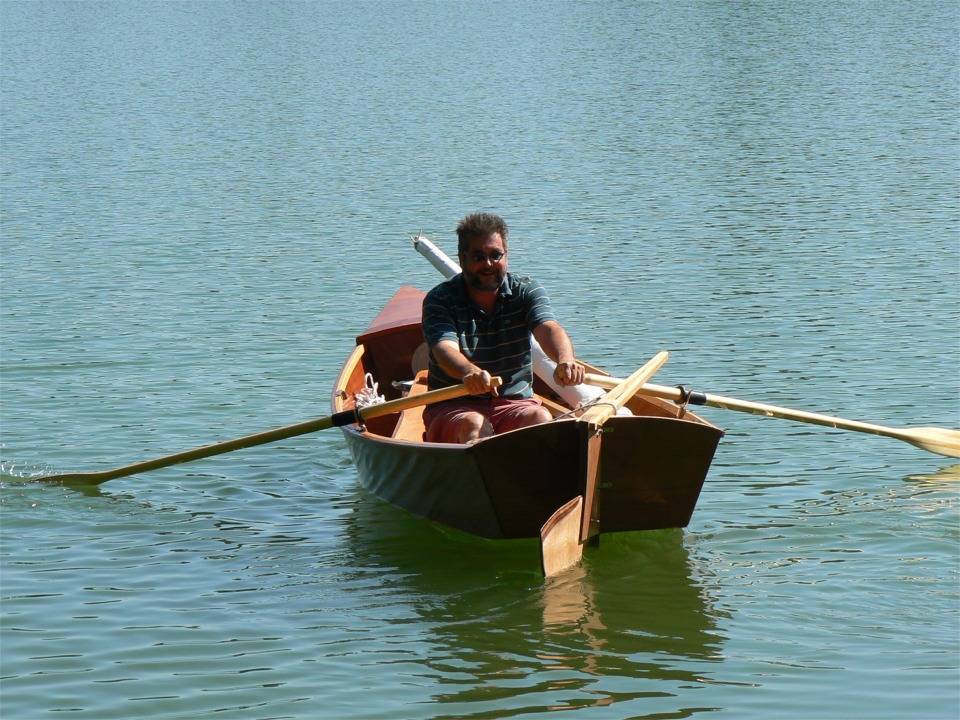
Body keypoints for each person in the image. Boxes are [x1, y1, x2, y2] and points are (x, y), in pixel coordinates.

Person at [421, 212, 585, 444]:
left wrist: (565, 359)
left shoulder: (526, 290)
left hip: (514, 403)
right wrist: (468, 372)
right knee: (474, 424)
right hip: (455, 406)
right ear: (461, 257)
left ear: (506, 255)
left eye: (495, 255)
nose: (488, 264)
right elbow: (444, 349)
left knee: (540, 417)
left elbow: (548, 328)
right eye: (478, 256)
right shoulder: (440, 299)